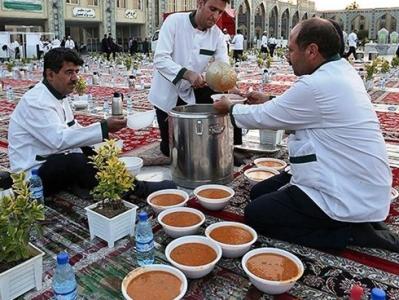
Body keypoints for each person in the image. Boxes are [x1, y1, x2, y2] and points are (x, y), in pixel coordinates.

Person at [213, 18, 399, 252]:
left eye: (291, 50)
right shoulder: (340, 72)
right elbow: (307, 110)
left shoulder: (317, 84)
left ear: (312, 51)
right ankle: (348, 221)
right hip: (352, 177)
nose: (288, 56)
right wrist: (268, 99)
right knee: (259, 192)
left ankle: (349, 234)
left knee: (256, 214)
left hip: (344, 190)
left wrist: (230, 107)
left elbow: (265, 117)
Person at [8, 48, 176, 199]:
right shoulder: (36, 101)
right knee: (75, 162)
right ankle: (140, 190)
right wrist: (103, 127)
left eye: (76, 72)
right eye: (68, 72)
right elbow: (58, 140)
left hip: (52, 160)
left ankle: (117, 184)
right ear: (50, 74)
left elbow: (72, 127)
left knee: (94, 153)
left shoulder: (58, 94)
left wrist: (101, 139)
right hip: (33, 175)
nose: (75, 78)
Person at [148, 0, 242, 158]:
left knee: (230, 103)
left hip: (192, 90)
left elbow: (223, 65)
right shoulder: (174, 22)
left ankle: (234, 148)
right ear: (200, 3)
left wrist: (230, 85)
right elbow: (160, 59)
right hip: (166, 93)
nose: (216, 16)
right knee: (172, 150)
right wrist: (188, 74)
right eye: (212, 9)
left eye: (220, 12)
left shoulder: (217, 35)